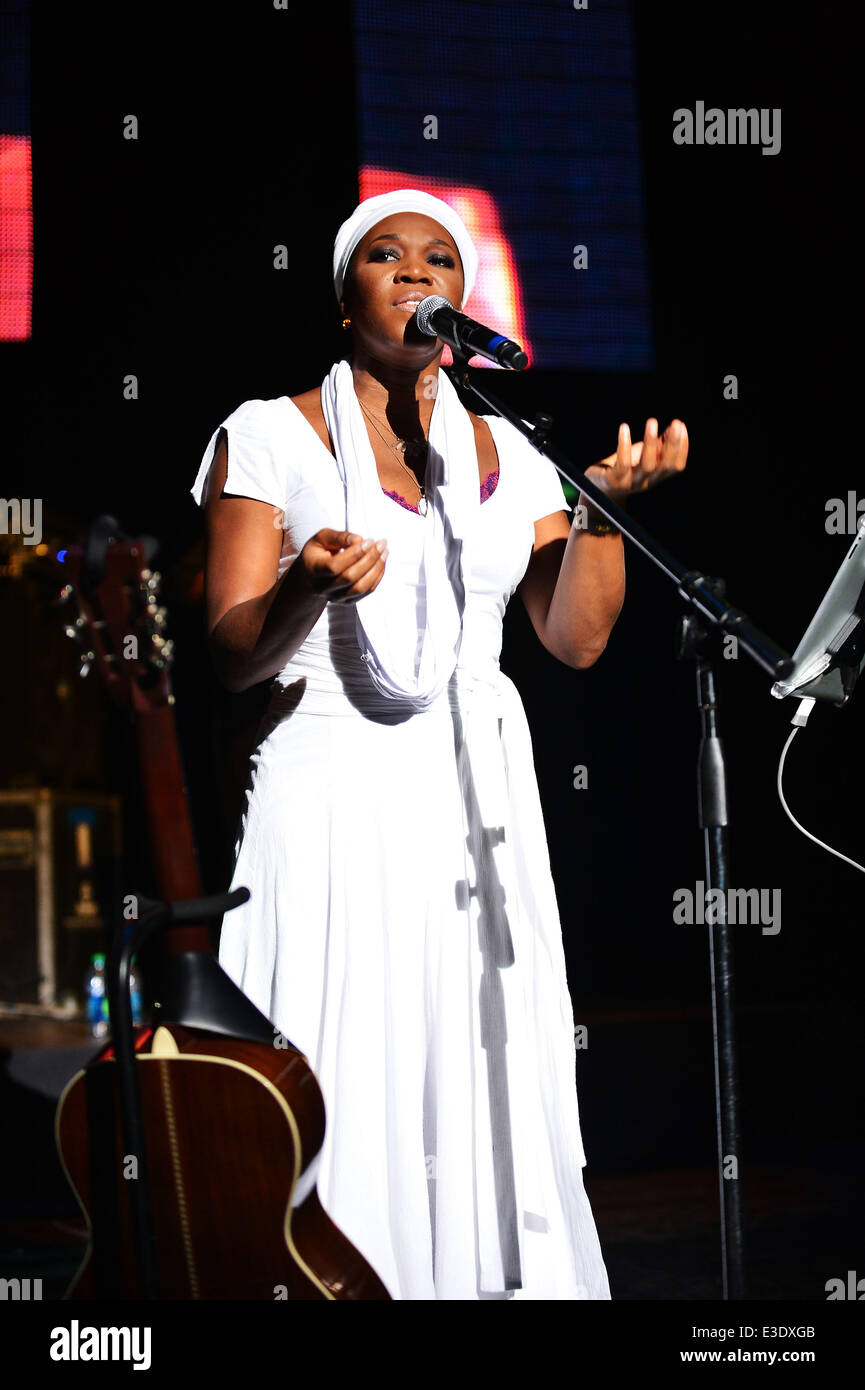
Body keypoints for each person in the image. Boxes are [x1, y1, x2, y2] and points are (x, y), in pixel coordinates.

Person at [190, 188, 688, 1300]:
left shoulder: (507, 448)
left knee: (476, 1057)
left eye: (440, 262)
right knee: (346, 1065)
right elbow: (228, 652)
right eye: (385, 256)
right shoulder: (267, 433)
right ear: (341, 295)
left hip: (475, 800)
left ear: (463, 301)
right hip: (326, 793)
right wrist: (303, 594)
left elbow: (573, 637)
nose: (417, 276)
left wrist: (600, 511)